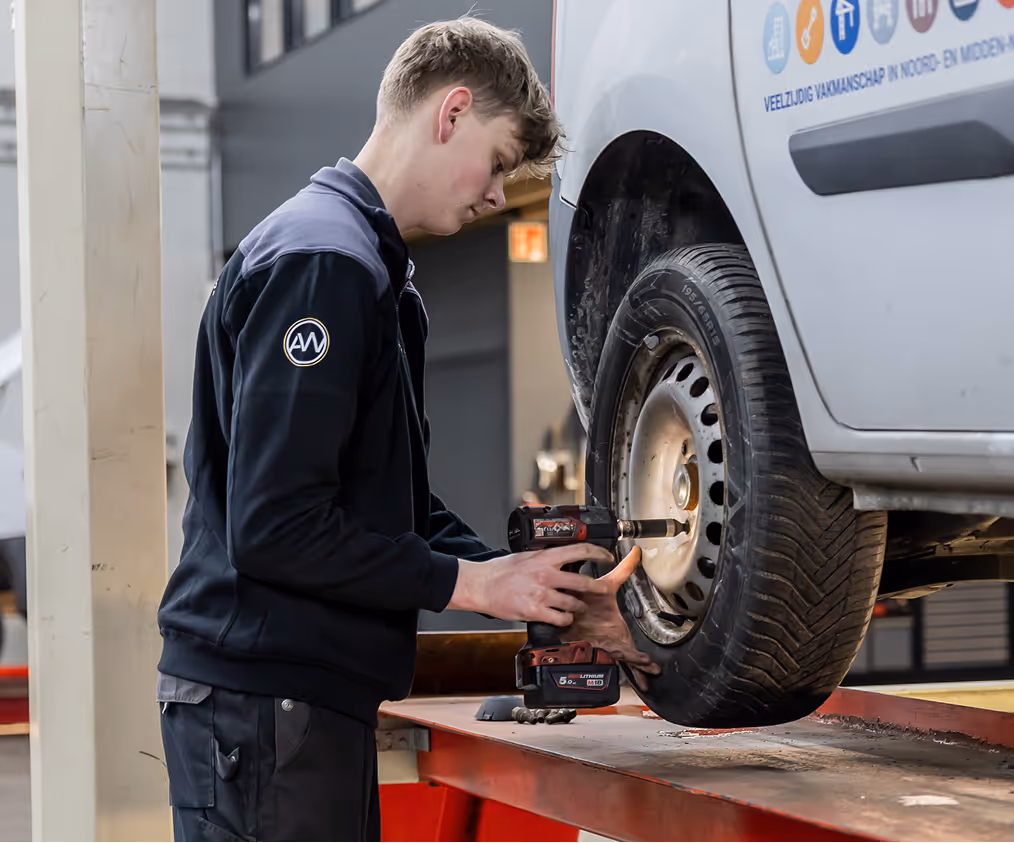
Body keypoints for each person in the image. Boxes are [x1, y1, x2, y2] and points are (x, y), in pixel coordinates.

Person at [155, 17, 658, 841]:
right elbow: (275, 525)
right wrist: (476, 587)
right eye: (498, 163)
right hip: (261, 705)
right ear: (451, 111)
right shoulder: (321, 263)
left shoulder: (379, 279)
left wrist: (527, 582)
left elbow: (395, 511)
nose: (499, 194)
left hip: (301, 702)